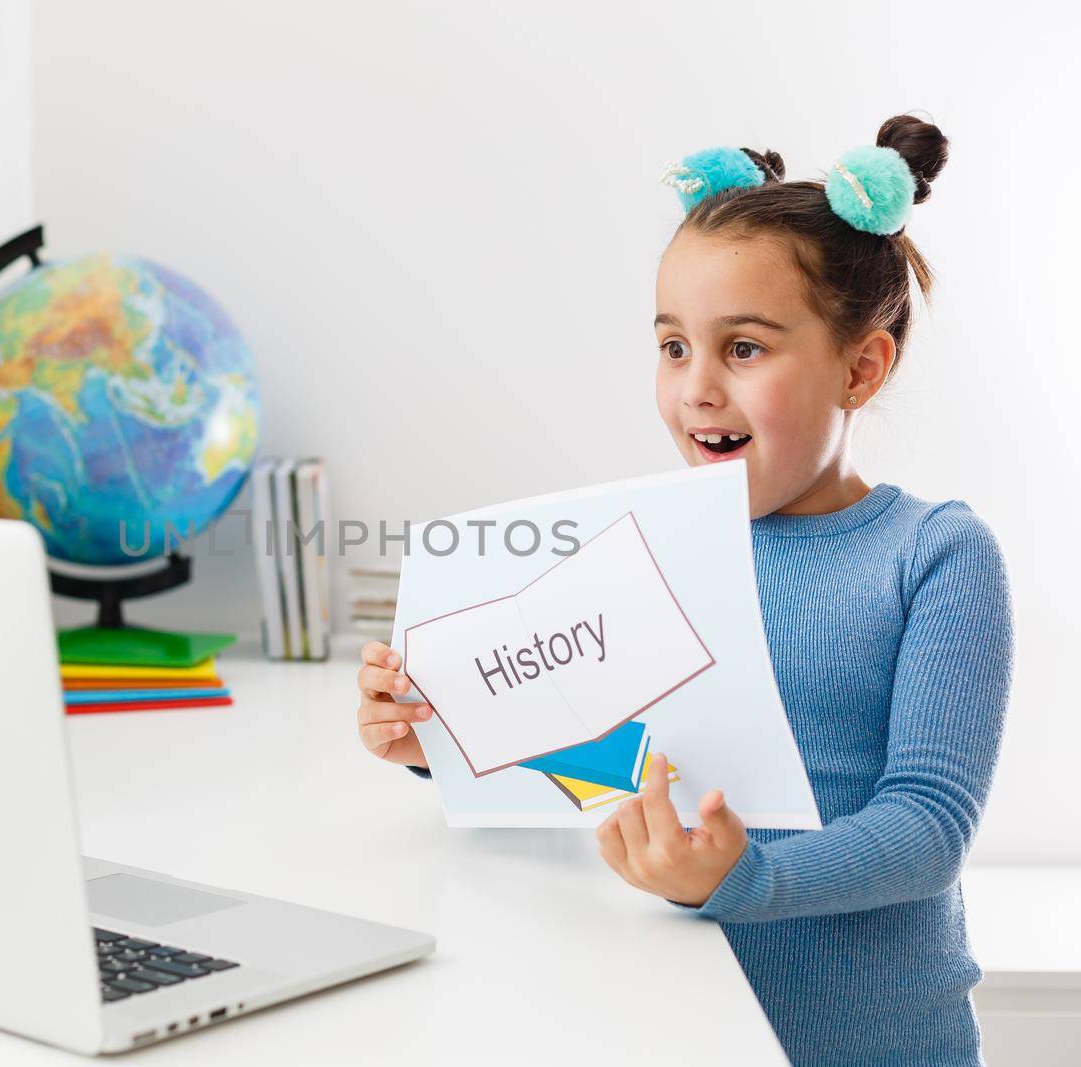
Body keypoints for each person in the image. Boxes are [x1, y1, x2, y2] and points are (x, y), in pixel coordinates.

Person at [352, 114, 1015, 1066]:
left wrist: (747, 876)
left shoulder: (935, 554)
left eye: (743, 349)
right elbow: (604, 754)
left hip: (870, 1039)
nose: (696, 387)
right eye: (673, 347)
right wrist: (444, 739)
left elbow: (927, 827)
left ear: (862, 367)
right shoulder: (652, 543)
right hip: (678, 1017)